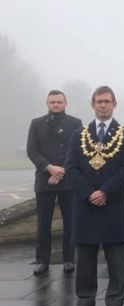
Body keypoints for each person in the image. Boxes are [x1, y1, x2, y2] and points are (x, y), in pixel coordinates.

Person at [66, 86, 124, 306]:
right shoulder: (78, 135)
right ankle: (84, 302)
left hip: (112, 203)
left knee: (116, 259)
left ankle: (115, 303)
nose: (103, 105)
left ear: (114, 104)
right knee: (84, 259)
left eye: (107, 101)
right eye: (99, 101)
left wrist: (105, 191)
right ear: (92, 105)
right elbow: (72, 168)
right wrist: (89, 193)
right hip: (85, 205)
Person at [26, 90, 83, 275]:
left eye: (59, 102)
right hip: (44, 180)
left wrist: (60, 172)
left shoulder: (76, 123)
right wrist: (49, 168)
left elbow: (77, 151)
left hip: (68, 181)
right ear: (47, 103)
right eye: (53, 102)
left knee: (70, 222)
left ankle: (68, 259)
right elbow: (32, 150)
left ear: (66, 103)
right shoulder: (36, 123)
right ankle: (42, 260)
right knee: (43, 223)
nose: (56, 105)